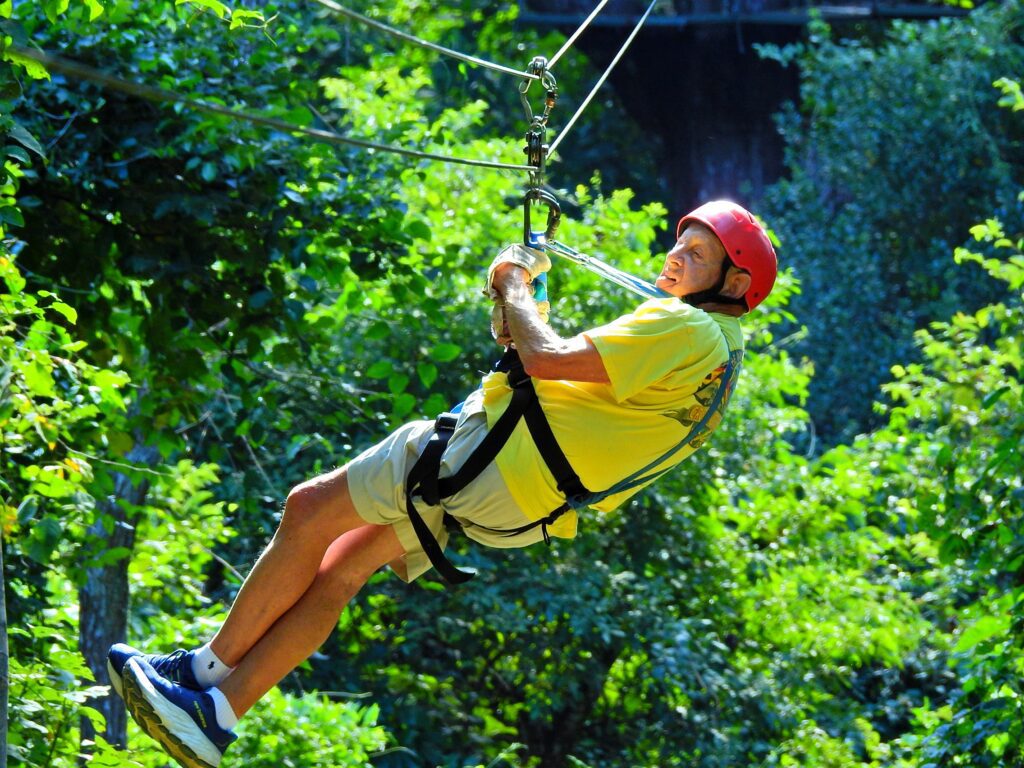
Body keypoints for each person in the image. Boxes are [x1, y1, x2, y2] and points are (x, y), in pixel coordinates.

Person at [108, 200, 777, 768]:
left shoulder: (686, 326)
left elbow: (542, 358)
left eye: (698, 252)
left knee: (307, 509)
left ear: (734, 279)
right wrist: (522, 306)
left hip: (489, 453)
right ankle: (220, 716)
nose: (677, 255)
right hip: (520, 503)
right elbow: (557, 370)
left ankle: (197, 676)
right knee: (340, 571)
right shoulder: (719, 363)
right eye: (680, 242)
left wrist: (512, 278)